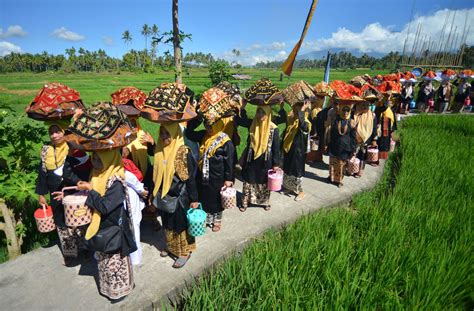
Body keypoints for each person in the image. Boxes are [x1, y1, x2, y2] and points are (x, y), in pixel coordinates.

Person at [77, 149, 136, 301]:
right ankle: (108, 289)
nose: (95, 162)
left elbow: (105, 207)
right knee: (104, 262)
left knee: (115, 262)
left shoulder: (115, 181)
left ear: (109, 159)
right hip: (102, 226)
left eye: (99, 159)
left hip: (113, 227)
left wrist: (90, 191)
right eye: (94, 158)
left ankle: (121, 291)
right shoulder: (96, 175)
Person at [36, 121, 90, 266]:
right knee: (61, 222)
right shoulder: (46, 150)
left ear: (64, 132)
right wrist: (41, 194)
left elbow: (83, 168)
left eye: (58, 131)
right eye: (51, 132)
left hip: (72, 189)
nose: (54, 135)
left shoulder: (73, 147)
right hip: (55, 191)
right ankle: (69, 253)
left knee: (78, 219)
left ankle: (84, 249)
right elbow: (42, 173)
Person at [149, 123, 199, 268]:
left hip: (179, 197)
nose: (164, 136)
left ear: (175, 133)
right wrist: (153, 194)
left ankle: (185, 252)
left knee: (180, 224)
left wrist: (194, 199)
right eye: (162, 133)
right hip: (163, 194)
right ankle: (172, 248)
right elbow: (156, 174)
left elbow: (190, 178)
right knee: (167, 223)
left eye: (167, 133)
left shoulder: (182, 152)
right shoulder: (159, 149)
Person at [185, 118, 234, 232]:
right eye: (206, 125)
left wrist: (228, 178)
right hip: (203, 173)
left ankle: (217, 220)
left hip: (218, 176)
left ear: (217, 125)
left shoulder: (225, 141)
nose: (209, 129)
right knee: (205, 196)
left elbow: (230, 161)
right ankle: (207, 218)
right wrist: (198, 118)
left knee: (216, 198)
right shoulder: (203, 135)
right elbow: (189, 134)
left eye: (211, 126)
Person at [237, 104, 281, 211]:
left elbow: (276, 148)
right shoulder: (253, 124)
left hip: (265, 160)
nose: (260, 115)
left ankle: (264, 202)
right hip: (251, 158)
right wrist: (242, 107)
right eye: (258, 112)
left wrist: (276, 164)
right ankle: (245, 202)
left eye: (263, 112)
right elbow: (240, 120)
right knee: (249, 179)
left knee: (264, 181)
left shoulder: (273, 129)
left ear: (268, 114)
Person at [282, 99, 312, 200]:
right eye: (295, 108)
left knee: (297, 172)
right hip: (289, 150)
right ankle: (289, 188)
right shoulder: (292, 120)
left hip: (298, 152)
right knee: (288, 169)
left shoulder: (306, 123)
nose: (295, 110)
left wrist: (302, 110)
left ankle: (301, 192)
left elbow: (303, 126)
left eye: (297, 109)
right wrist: (282, 107)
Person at [122, 151, 147, 267]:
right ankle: (134, 257)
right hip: (128, 201)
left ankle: (133, 256)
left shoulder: (121, 170)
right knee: (133, 227)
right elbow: (136, 183)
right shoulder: (123, 170)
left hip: (126, 201)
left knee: (131, 227)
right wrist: (143, 192)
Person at [327, 102, 357, 187]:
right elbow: (331, 132)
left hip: (345, 147)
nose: (345, 112)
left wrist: (353, 149)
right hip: (335, 145)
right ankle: (331, 178)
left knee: (342, 165)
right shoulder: (336, 119)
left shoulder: (351, 122)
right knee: (333, 163)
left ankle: (339, 181)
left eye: (348, 110)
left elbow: (353, 137)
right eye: (343, 110)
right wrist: (328, 143)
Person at [352, 101, 377, 178]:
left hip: (366, 139)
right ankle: (352, 169)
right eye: (363, 104)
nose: (365, 106)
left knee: (363, 156)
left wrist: (374, 140)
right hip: (355, 138)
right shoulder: (355, 114)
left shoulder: (372, 115)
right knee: (353, 155)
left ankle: (360, 171)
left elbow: (374, 128)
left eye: (367, 105)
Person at [374, 94, 396, 160]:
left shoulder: (390, 109)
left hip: (387, 124)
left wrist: (392, 130)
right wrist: (386, 98)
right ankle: (379, 156)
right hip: (383, 124)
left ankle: (384, 155)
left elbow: (393, 119)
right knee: (382, 141)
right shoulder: (379, 107)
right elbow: (384, 107)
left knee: (386, 140)